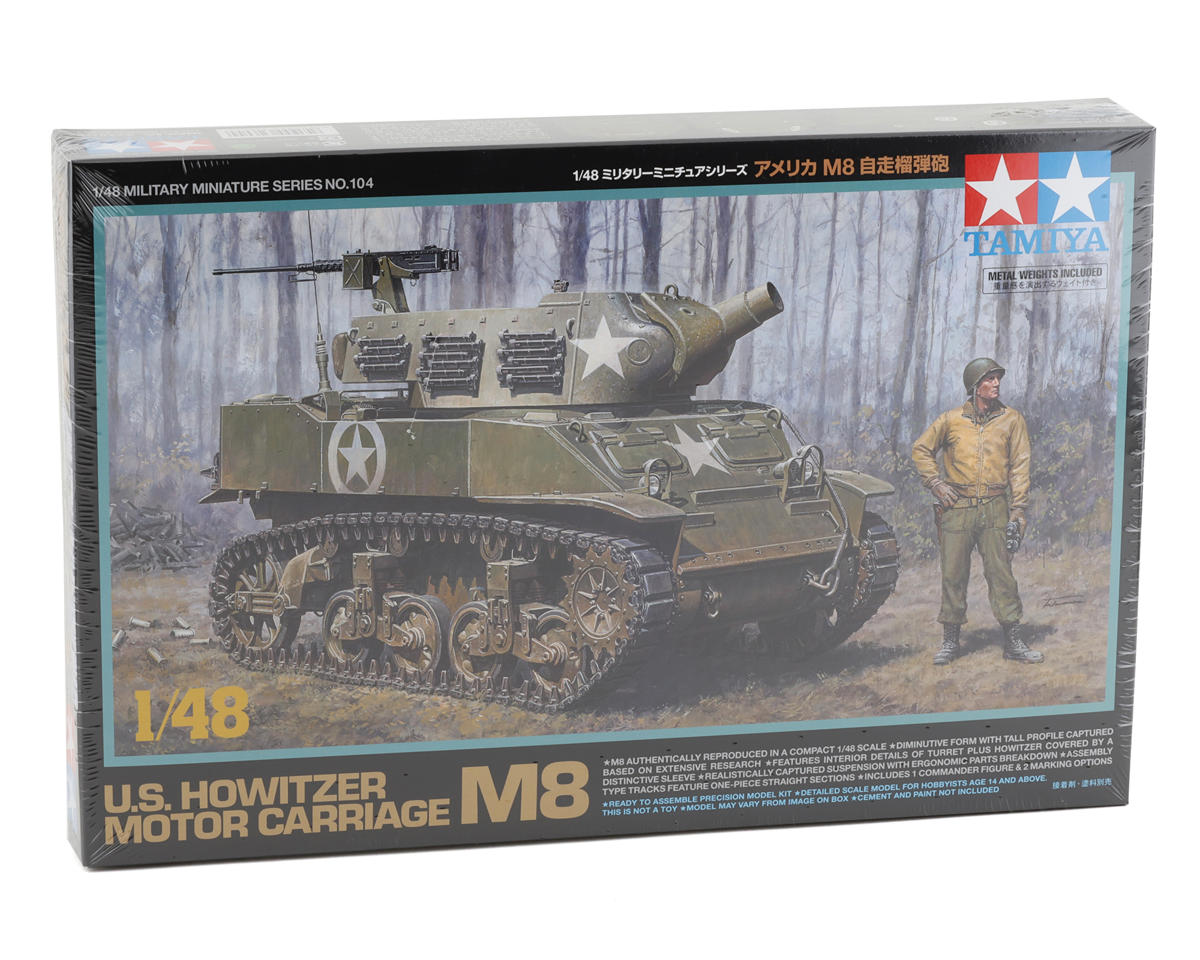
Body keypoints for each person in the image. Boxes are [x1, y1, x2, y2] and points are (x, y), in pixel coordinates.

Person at [911, 358, 1043, 665]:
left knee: (1002, 574)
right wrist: (935, 483)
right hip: (956, 507)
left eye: (998, 378)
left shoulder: (1012, 420)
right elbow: (921, 449)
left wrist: (1018, 508)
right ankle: (950, 642)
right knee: (953, 574)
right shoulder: (950, 420)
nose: (996, 384)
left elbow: (1020, 466)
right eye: (989, 379)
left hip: (996, 507)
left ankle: (1013, 641)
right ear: (974, 386)